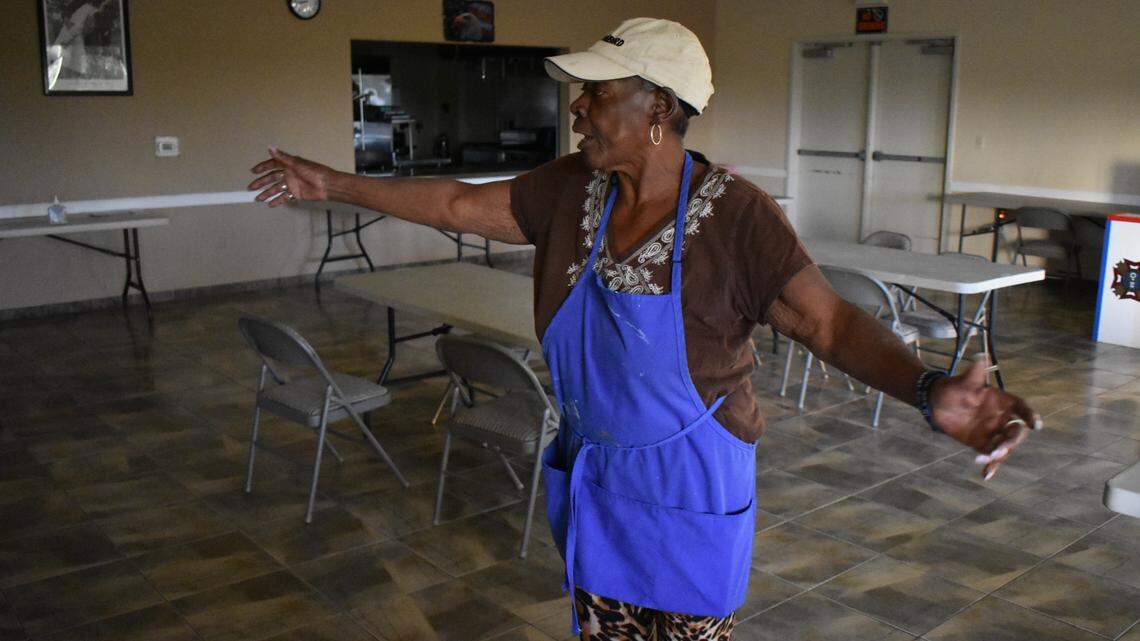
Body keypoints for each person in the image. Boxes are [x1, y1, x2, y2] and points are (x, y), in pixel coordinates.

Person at [248, 17, 1040, 641]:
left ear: (658, 107)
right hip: (601, 482)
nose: (577, 108)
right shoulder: (569, 190)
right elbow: (459, 204)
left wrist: (928, 385)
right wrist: (331, 181)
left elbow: (828, 322)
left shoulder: (737, 216)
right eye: (580, 93)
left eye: (598, 93)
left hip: (693, 487)